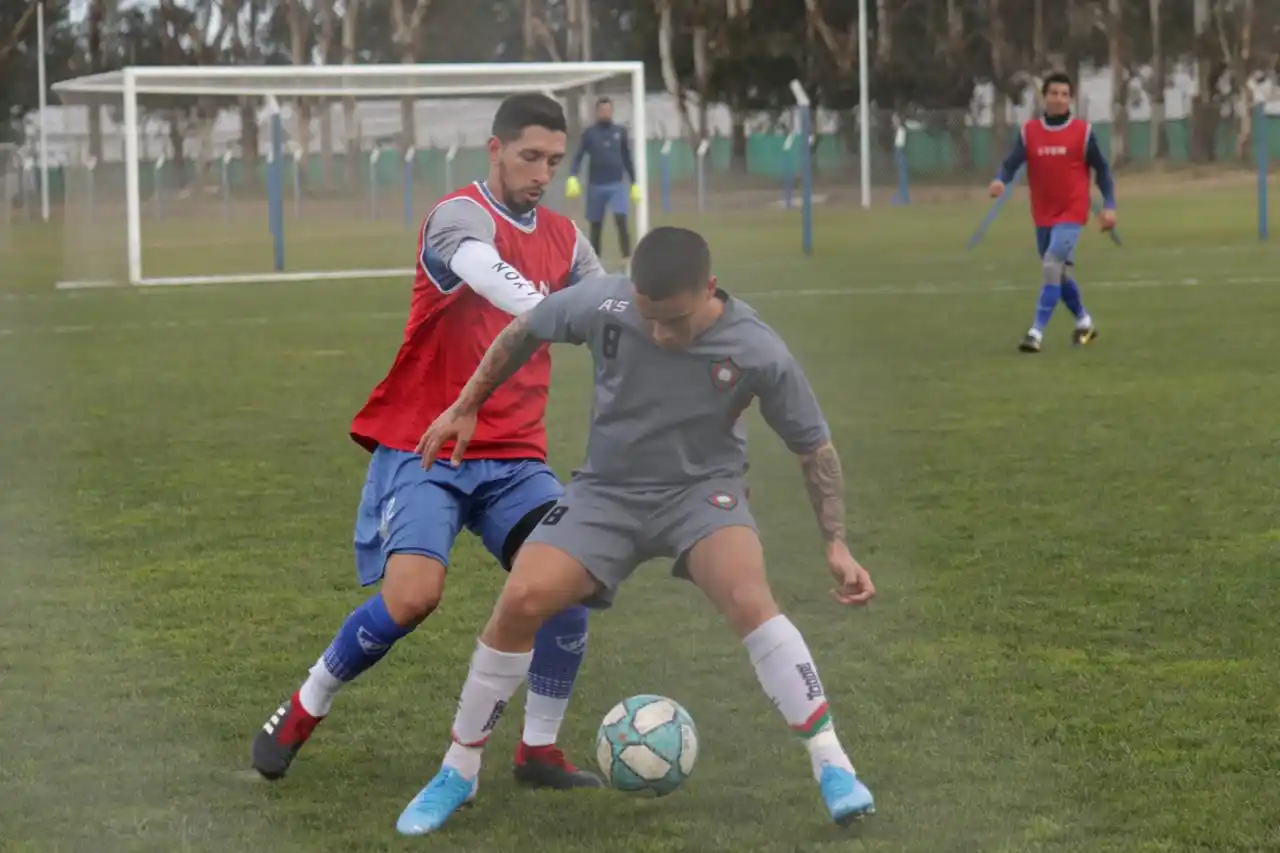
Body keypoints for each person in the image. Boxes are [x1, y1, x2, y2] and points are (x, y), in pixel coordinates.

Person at [395, 225, 878, 836]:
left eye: (674, 321)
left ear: (710, 288)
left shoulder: (757, 349)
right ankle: (458, 769)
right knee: (520, 598)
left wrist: (835, 541)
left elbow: (814, 448)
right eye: (649, 318)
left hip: (702, 496)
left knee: (748, 596)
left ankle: (833, 765)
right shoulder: (608, 302)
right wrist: (467, 404)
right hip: (606, 494)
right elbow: (525, 329)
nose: (659, 333)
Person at [250, 93, 607, 791]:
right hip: (430, 449)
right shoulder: (458, 217)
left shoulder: (568, 239)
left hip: (515, 457)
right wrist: (554, 308)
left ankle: (538, 748)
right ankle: (304, 704)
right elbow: (488, 274)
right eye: (530, 156)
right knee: (413, 597)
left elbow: (607, 313)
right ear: (495, 150)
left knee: (570, 579)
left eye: (555, 161)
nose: (542, 172)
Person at [989, 71, 1118, 353]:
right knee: (1058, 275)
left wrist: (1109, 206)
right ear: (1044, 97)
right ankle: (1085, 322)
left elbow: (1104, 171)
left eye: (1064, 94)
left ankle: (1036, 332)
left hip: (1072, 213)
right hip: (1043, 214)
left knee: (1051, 265)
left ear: (1070, 99)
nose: (1058, 99)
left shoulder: (1082, 133)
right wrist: (1000, 179)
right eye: (1053, 94)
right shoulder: (1029, 132)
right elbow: (1011, 163)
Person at [565, 96, 640, 268]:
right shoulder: (590, 133)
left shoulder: (620, 132)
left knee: (621, 218)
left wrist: (634, 182)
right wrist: (572, 176)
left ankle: (626, 258)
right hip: (595, 186)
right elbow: (578, 156)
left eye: (608, 110)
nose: (605, 113)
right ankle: (595, 259)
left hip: (617, 184)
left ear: (611, 111)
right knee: (596, 223)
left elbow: (627, 157)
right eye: (602, 110)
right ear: (597, 112)